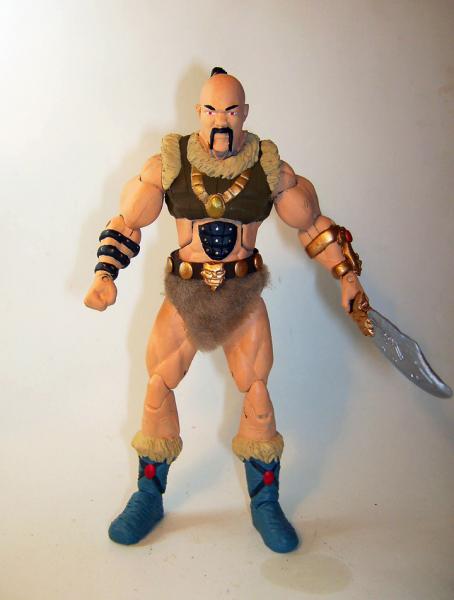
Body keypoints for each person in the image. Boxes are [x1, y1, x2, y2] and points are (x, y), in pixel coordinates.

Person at [84, 67, 372, 554]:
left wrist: (347, 275)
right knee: (157, 387)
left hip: (242, 295)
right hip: (186, 293)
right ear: (199, 112)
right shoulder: (168, 163)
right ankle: (148, 497)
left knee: (257, 394)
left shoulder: (270, 168)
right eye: (213, 110)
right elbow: (128, 220)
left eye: (232, 111)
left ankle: (266, 503)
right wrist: (104, 273)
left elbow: (312, 224)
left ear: (245, 114)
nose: (222, 121)